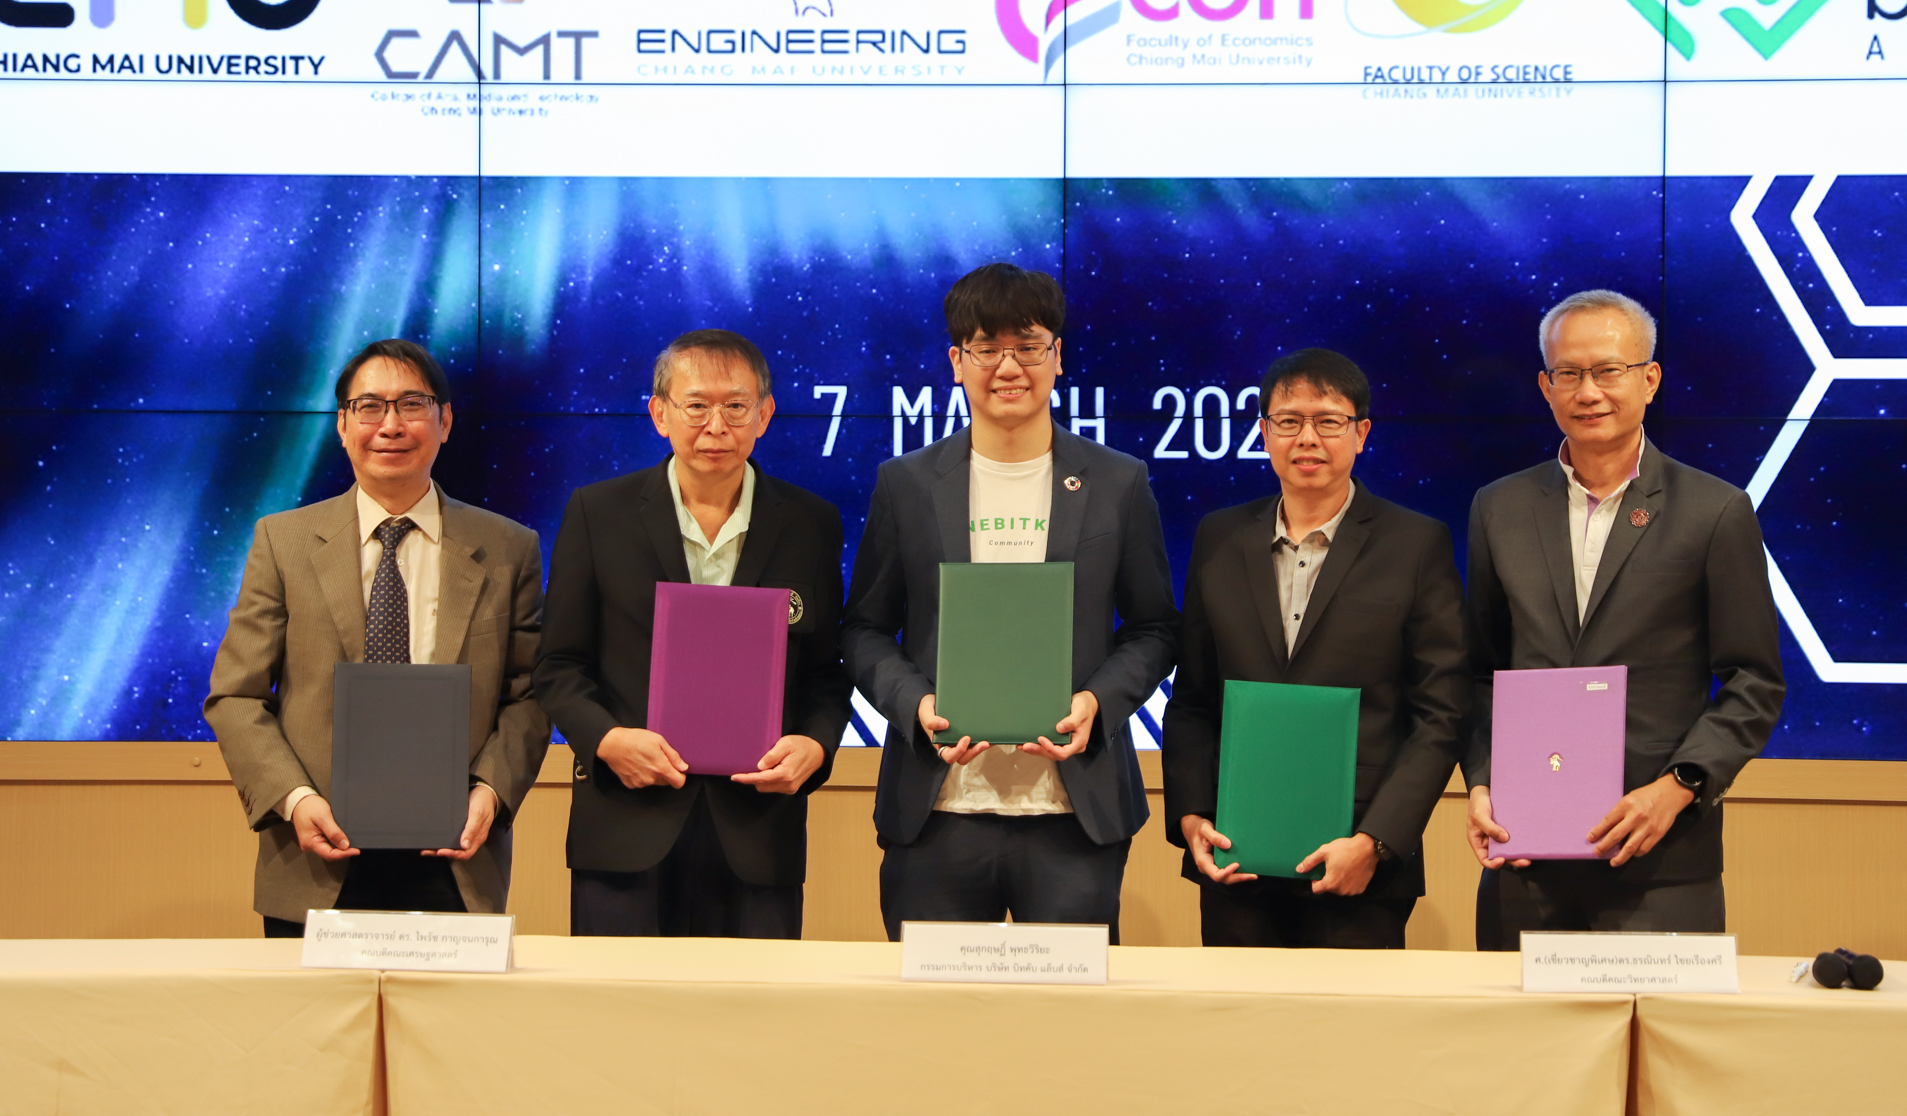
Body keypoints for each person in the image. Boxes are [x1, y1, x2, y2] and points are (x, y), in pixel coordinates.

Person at [844, 263, 1178, 940]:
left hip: (1073, 815)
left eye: (1027, 346)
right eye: (986, 348)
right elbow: (864, 630)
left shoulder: (1117, 482)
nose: (1008, 366)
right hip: (937, 810)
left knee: (1068, 1010)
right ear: (956, 362)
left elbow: (1154, 629)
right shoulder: (906, 484)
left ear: (1057, 355)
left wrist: (1096, 703)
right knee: (934, 1008)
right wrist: (917, 706)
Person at [1462, 290, 1785, 944]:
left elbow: (1754, 680)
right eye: (1569, 373)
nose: (1589, 392)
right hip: (1525, 856)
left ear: (1650, 379)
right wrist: (1481, 782)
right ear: (1546, 387)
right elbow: (1480, 671)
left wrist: (1680, 784)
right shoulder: (1498, 508)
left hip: (1661, 860)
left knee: (1660, 1021)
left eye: (1609, 370)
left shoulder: (1715, 511)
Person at [206, 339, 549, 936]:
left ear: (445, 421)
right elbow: (235, 694)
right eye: (369, 407)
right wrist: (295, 799)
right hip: (315, 852)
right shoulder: (283, 542)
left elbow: (532, 693)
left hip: (455, 856)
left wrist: (490, 793)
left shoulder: (507, 547)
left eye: (412, 405)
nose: (390, 425)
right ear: (342, 425)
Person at [534, 330, 847, 938]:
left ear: (765, 414)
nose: (716, 425)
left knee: (751, 1001)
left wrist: (815, 746)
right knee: (619, 1000)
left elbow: (825, 673)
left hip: (759, 830)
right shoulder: (598, 513)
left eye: (736, 406)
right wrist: (607, 740)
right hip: (626, 824)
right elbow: (559, 665)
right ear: (660, 413)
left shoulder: (811, 523)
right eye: (696, 405)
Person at [1162, 348, 1469, 948]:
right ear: (1263, 432)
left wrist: (1376, 841)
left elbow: (1441, 713)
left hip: (1359, 867)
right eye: (1289, 420)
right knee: (1235, 1012)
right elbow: (1194, 698)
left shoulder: (1416, 544)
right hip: (1235, 857)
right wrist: (1192, 815)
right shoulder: (1219, 538)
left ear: (1361, 433)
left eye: (1328, 421)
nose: (1308, 437)